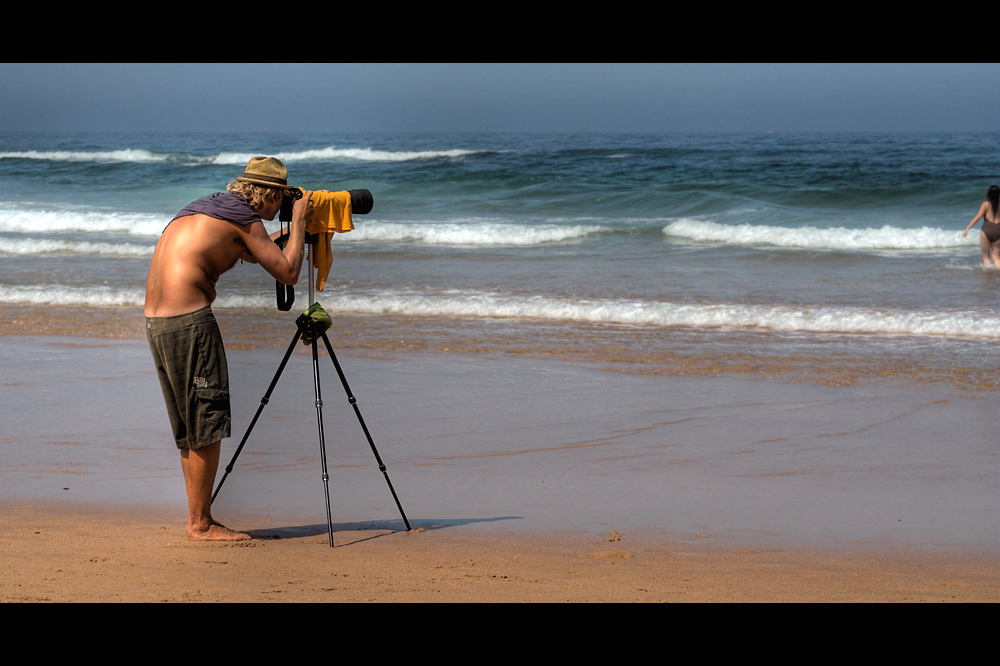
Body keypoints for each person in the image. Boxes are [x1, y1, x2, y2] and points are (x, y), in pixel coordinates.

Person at [144, 156, 313, 541]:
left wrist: (287, 236)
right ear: (270, 195)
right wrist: (300, 221)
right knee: (206, 423)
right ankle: (200, 525)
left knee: (191, 428)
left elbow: (253, 253)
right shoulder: (244, 219)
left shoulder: (210, 207)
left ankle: (198, 519)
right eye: (282, 200)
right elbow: (287, 272)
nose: (280, 209)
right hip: (189, 323)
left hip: (158, 323)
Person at [963, 185, 1000, 268]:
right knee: (997, 258)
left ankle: (987, 278)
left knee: (986, 257)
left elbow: (978, 217)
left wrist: (968, 228)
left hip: (987, 230)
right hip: (998, 231)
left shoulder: (986, 204)